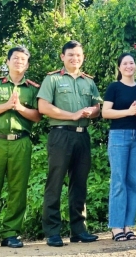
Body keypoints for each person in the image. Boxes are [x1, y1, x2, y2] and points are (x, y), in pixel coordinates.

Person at [0, 46, 42, 251]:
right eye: (15, 58)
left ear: (27, 64)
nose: (19, 62)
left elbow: (38, 116)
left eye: (23, 59)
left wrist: (20, 107)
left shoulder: (32, 88)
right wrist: (8, 106)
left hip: (21, 141)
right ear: (8, 62)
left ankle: (11, 233)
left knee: (17, 190)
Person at [37, 40, 102, 247]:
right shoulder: (53, 79)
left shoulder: (88, 82)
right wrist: (71, 115)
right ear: (62, 57)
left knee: (80, 183)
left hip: (82, 136)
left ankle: (78, 230)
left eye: (79, 55)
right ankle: (52, 232)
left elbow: (97, 107)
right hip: (60, 135)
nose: (75, 58)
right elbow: (43, 107)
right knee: (55, 183)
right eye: (71, 55)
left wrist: (92, 111)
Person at [102, 53, 136, 242]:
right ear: (119, 67)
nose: (129, 66)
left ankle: (128, 226)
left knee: (133, 182)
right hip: (118, 137)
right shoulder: (114, 87)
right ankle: (116, 227)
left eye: (131, 62)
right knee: (118, 181)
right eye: (125, 63)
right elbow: (106, 112)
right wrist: (128, 111)